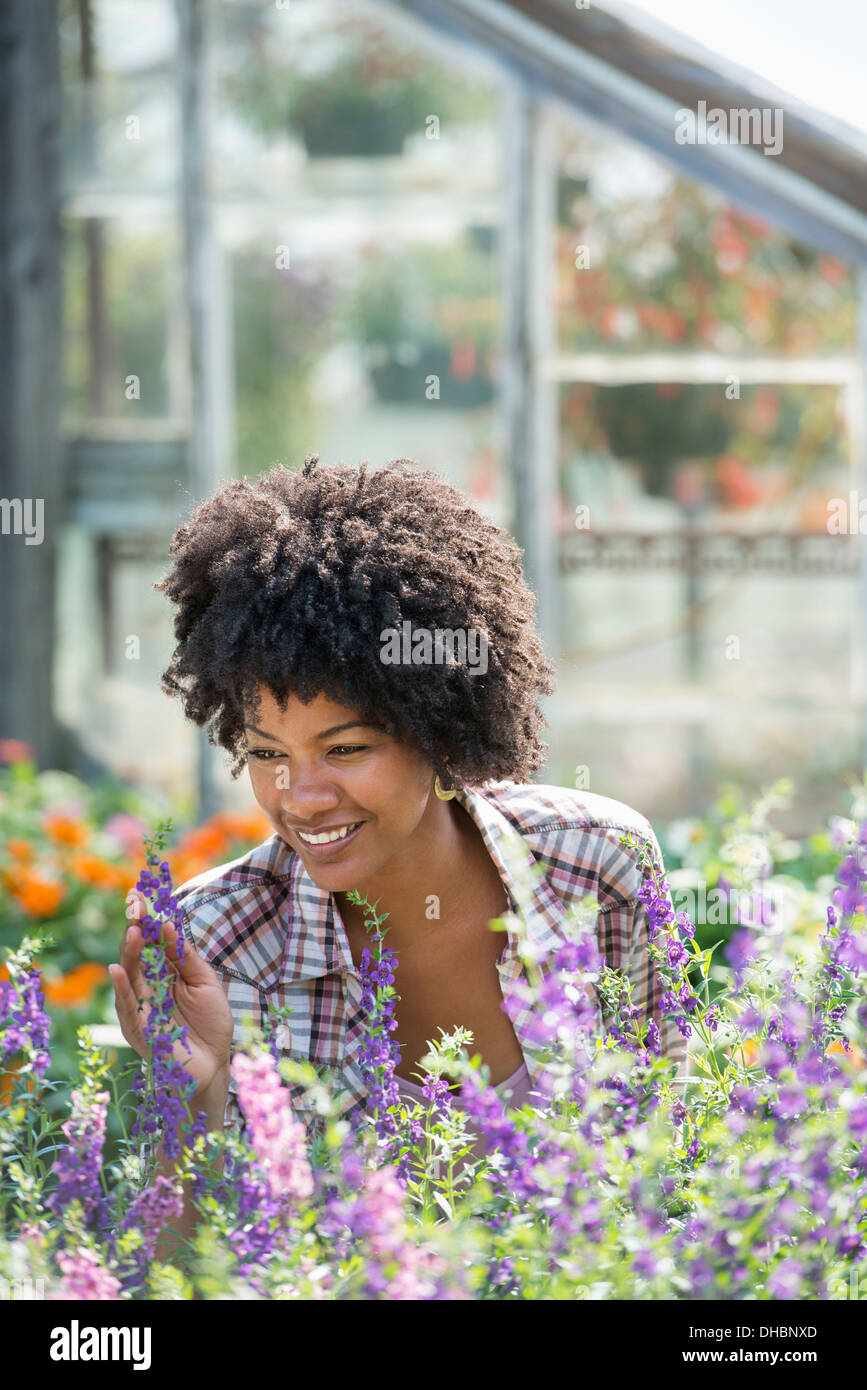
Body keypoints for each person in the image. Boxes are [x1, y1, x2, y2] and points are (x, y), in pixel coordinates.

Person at [110, 455, 689, 1253]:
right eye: (268, 754)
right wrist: (191, 1097)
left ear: (436, 724)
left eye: (344, 750)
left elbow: (677, 1150)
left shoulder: (596, 864)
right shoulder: (221, 941)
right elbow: (173, 1275)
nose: (300, 796)